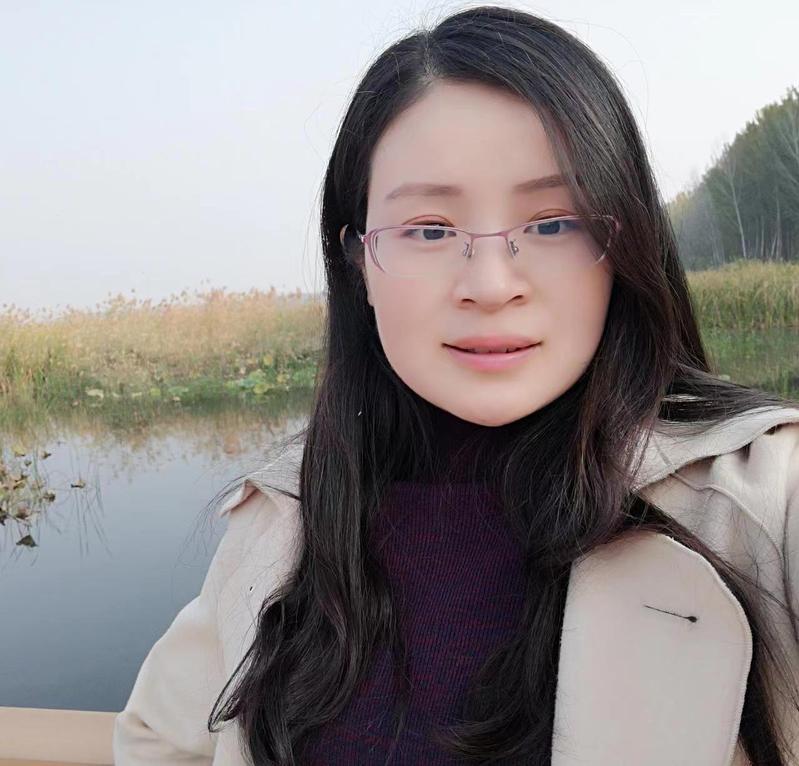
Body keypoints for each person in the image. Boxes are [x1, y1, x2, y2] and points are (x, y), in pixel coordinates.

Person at [113, 5, 799, 765]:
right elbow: (159, 740)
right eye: (429, 230)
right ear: (357, 261)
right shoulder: (288, 514)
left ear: (623, 242)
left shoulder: (761, 499)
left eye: (552, 223)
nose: (491, 284)